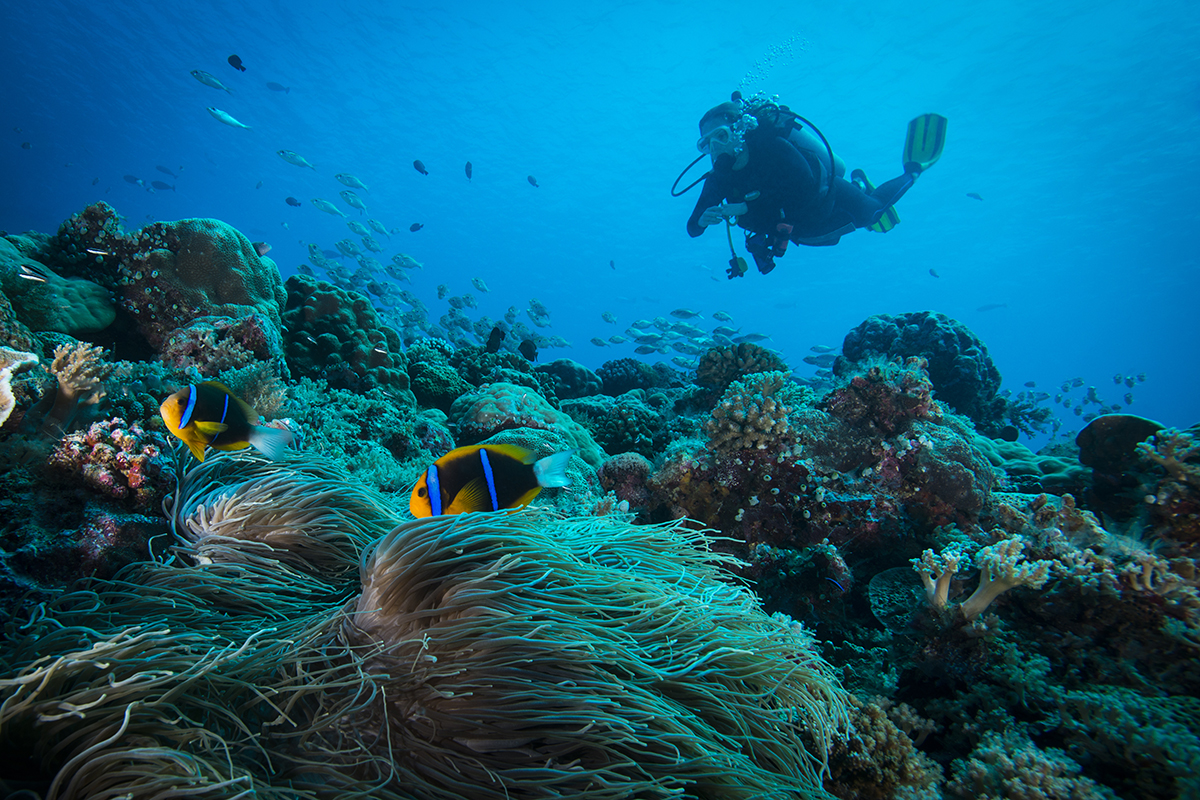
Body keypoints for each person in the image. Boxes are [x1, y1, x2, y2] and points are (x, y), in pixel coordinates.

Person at [686, 96, 947, 277]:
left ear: (739, 131)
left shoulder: (772, 147)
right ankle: (859, 184)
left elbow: (804, 185)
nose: (714, 149)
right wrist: (702, 220)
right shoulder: (719, 177)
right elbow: (692, 228)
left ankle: (912, 171)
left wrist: (745, 206)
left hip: (823, 196)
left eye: (720, 136)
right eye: (705, 144)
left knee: (871, 214)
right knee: (835, 234)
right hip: (801, 229)